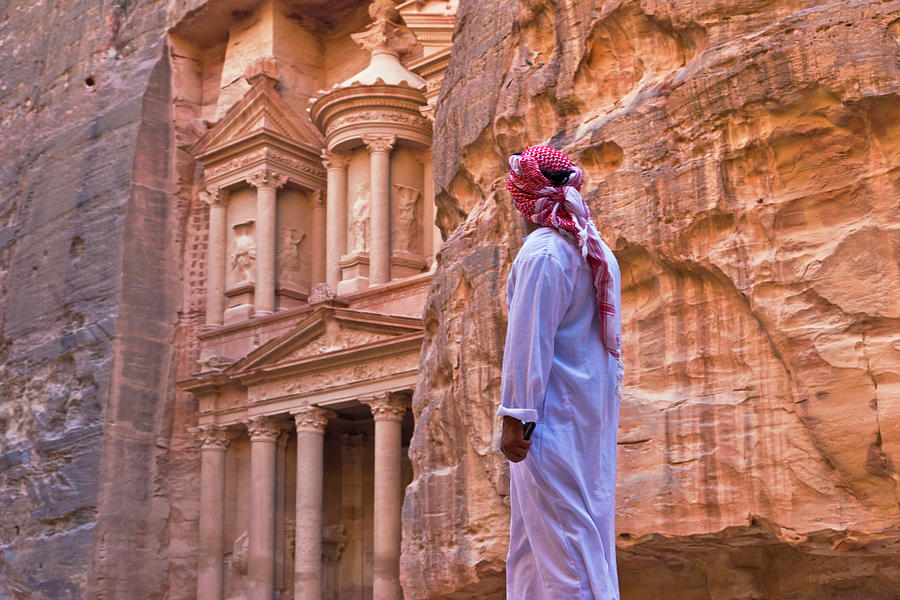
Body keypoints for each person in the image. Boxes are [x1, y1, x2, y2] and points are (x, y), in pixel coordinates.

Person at [498, 145, 624, 599]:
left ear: (525, 199)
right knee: (534, 545)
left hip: (548, 422)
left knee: (567, 545)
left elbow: (529, 340)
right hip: (584, 416)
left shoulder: (544, 253)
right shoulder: (593, 248)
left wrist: (517, 415)